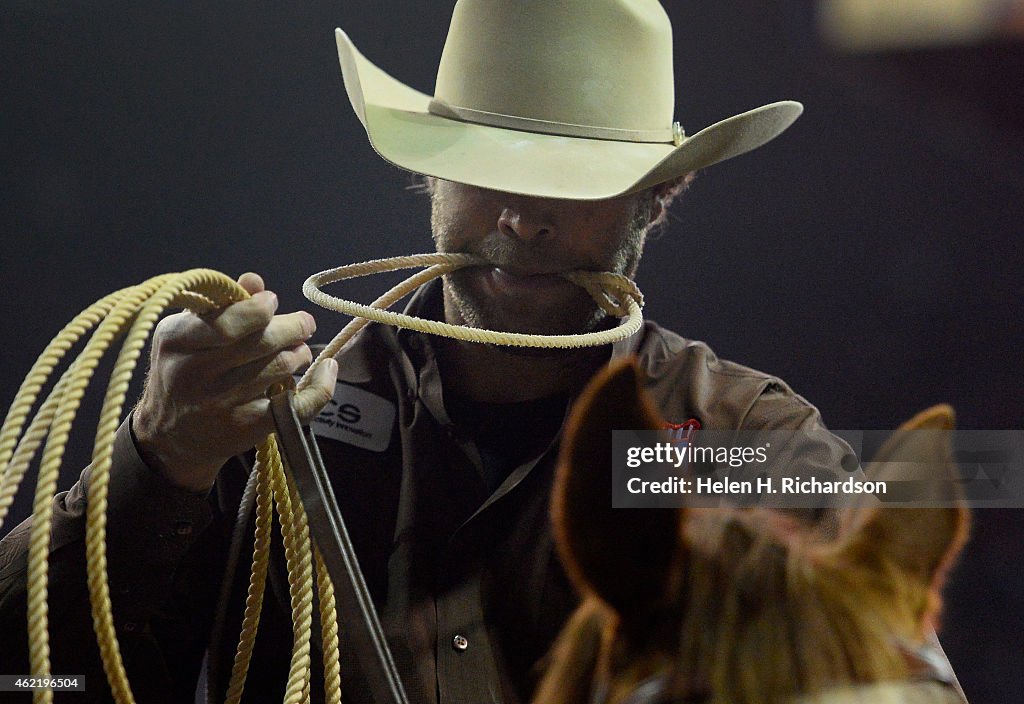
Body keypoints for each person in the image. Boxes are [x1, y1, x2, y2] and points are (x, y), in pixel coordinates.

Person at [0, 1, 966, 703]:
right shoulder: (254, 421)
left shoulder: (740, 435)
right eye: (485, 169)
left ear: (657, 199)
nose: (520, 218)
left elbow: (907, 669)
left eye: (573, 183)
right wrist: (161, 460)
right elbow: (32, 673)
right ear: (426, 171)